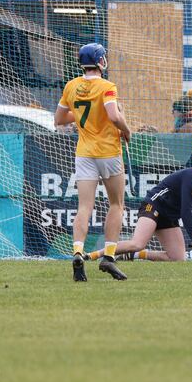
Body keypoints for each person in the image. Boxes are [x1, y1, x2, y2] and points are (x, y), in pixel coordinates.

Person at [54, 43, 131, 282]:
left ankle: (78, 251)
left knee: (84, 207)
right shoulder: (107, 86)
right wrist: (127, 130)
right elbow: (113, 115)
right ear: (99, 62)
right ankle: (108, 256)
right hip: (108, 152)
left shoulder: (71, 86)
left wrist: (79, 117)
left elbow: (59, 119)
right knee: (116, 204)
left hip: (84, 153)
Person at [85, 159, 192, 262]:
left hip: (168, 216)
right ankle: (91, 256)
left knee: (177, 258)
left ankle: (135, 255)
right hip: (154, 206)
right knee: (137, 243)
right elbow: (186, 212)